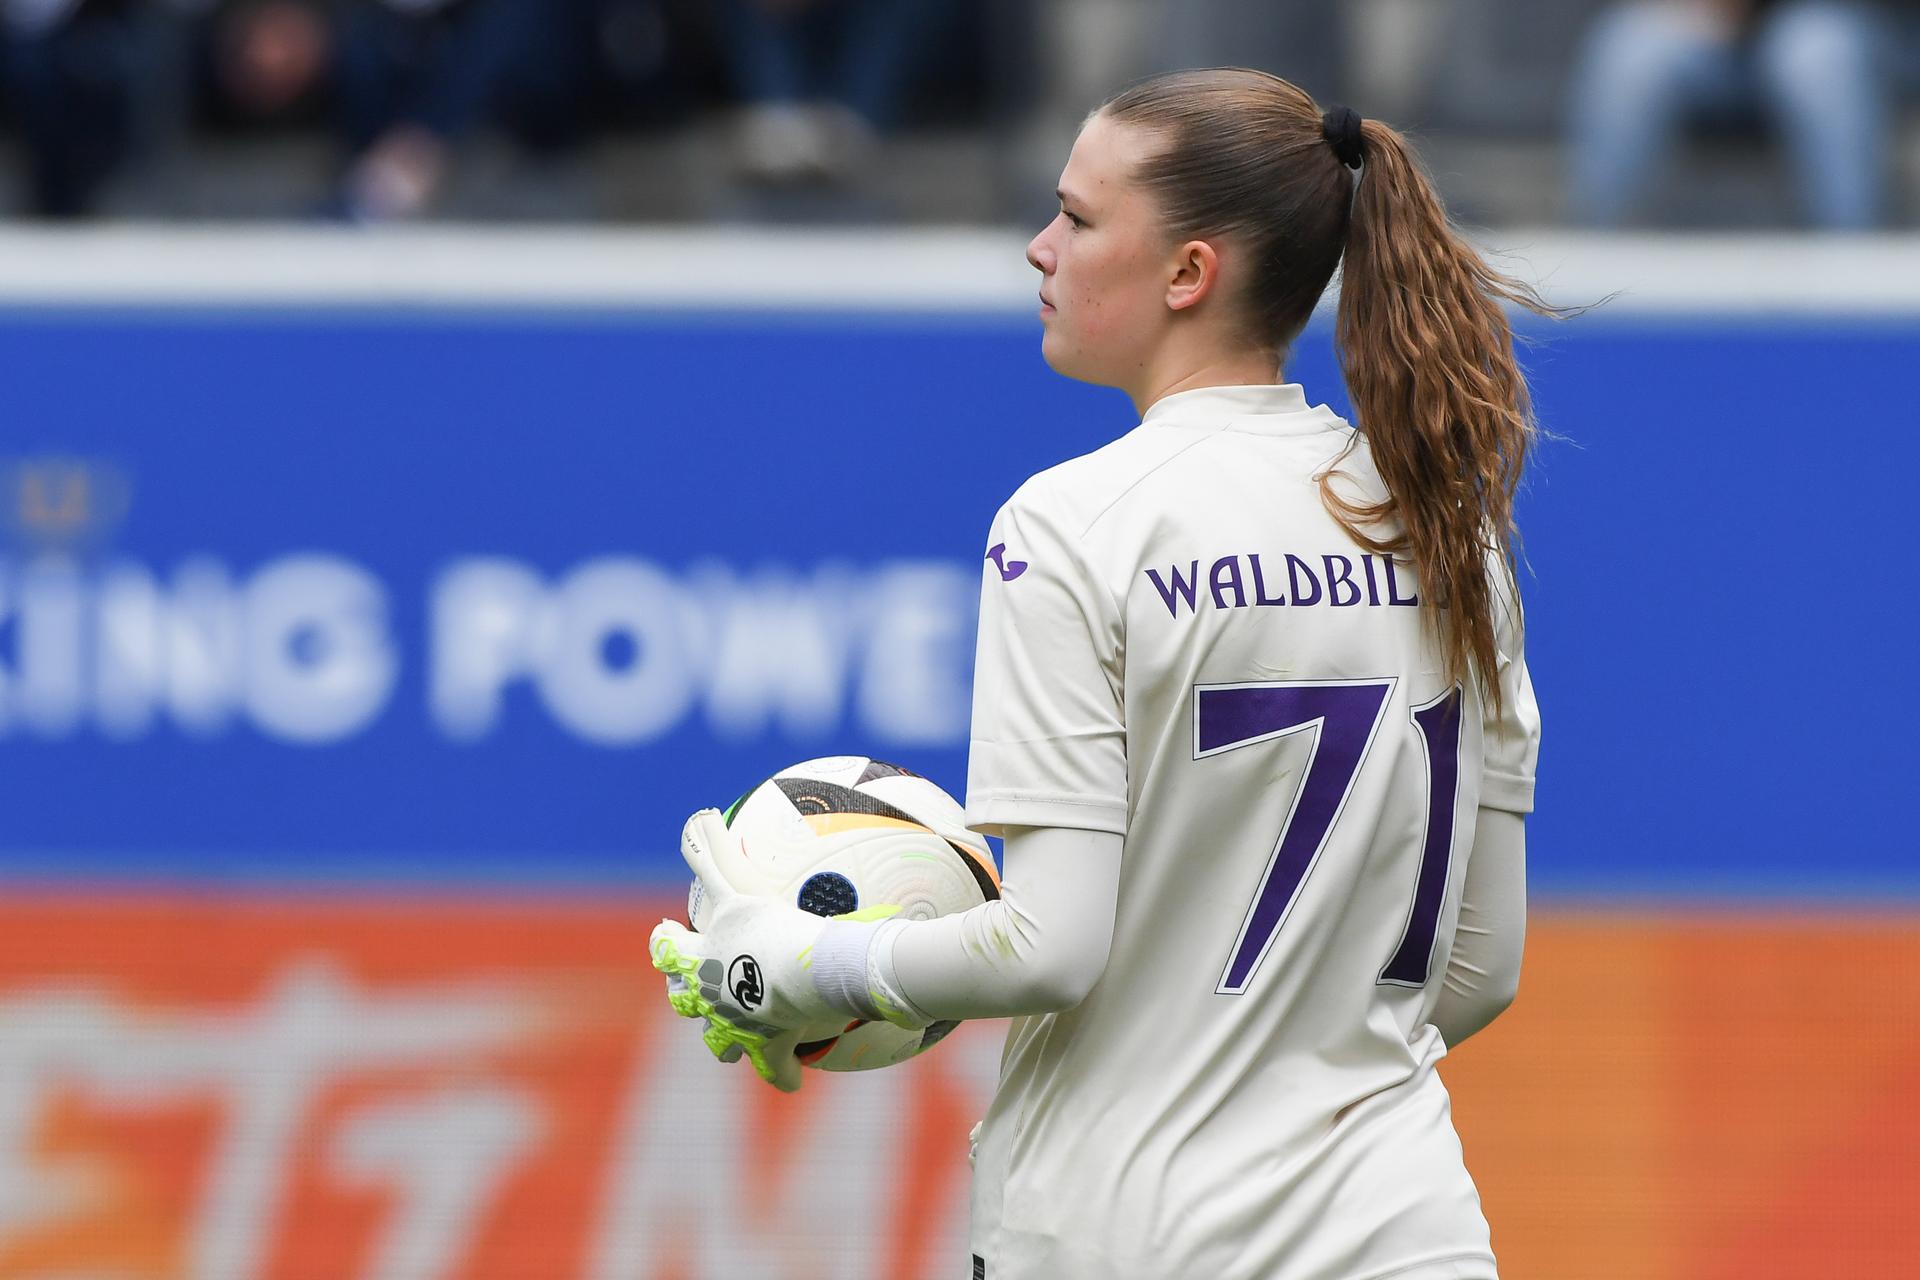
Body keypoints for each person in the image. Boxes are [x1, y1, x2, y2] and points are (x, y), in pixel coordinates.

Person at [652, 66, 1546, 1280]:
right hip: (1407, 1232)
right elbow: (1479, 969)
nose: (1040, 248)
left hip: (1128, 1231)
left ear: (1189, 273)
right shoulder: (1448, 526)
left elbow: (1049, 945)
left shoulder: (1075, 522)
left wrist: (808, 966)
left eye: (1076, 218)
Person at [1567, 0, 1914, 230]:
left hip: (1845, 21)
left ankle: (1853, 273)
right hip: (1700, 26)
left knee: (1820, 56)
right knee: (1631, 50)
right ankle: (1597, 288)